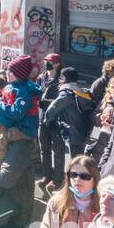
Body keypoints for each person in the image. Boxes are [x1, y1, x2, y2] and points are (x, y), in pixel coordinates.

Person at [43, 67, 95, 164]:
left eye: (61, 77)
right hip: (84, 130)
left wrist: (46, 122)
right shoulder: (80, 92)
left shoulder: (66, 93)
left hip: (73, 132)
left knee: (75, 161)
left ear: (64, 78)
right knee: (80, 158)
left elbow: (52, 109)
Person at [0, 54, 40, 140]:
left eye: (10, 71)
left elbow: (16, 113)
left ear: (19, 75)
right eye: (7, 70)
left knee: (1, 140)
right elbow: (4, 102)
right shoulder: (10, 86)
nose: (7, 73)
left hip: (24, 128)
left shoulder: (24, 92)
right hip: (12, 123)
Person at [37, 53, 64, 187]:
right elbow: (37, 93)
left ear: (57, 64)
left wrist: (44, 103)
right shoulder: (41, 77)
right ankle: (46, 175)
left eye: (50, 62)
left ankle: (57, 179)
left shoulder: (62, 80)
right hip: (42, 119)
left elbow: (61, 101)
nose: (47, 63)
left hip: (56, 120)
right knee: (44, 149)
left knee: (58, 151)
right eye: (46, 61)